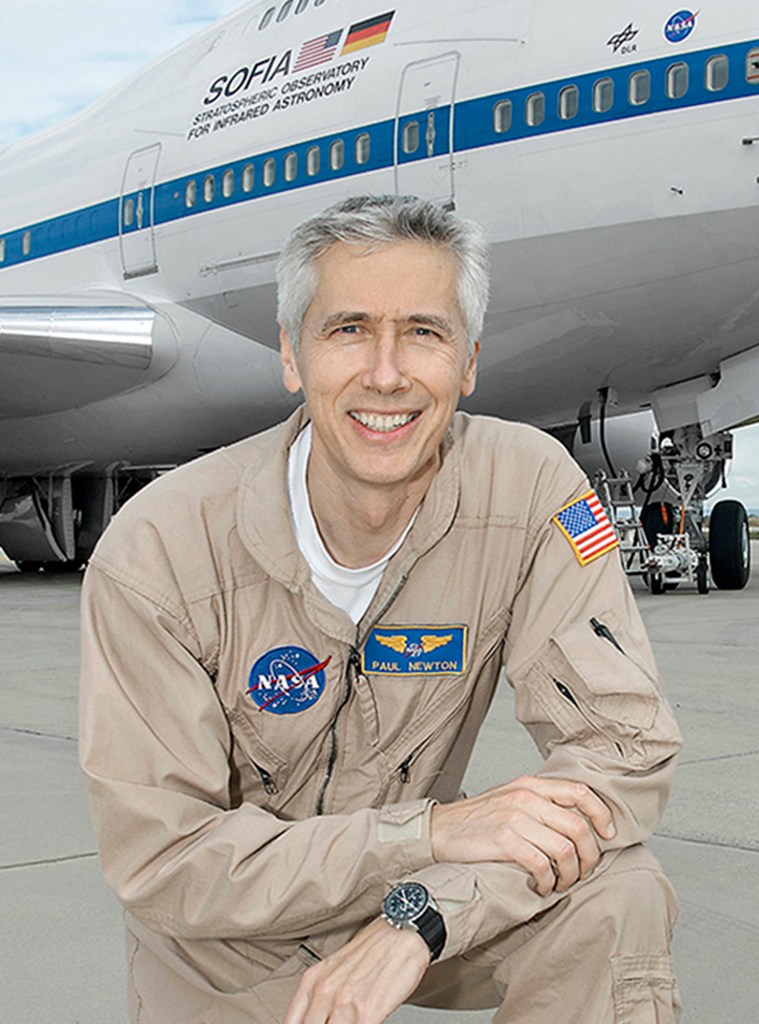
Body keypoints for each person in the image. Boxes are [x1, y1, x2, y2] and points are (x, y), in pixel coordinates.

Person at [79, 194, 683, 1024]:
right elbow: (166, 859)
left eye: (425, 332)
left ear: (468, 363)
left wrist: (425, 916)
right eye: (349, 329)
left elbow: (622, 749)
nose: (388, 373)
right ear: (292, 356)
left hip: (426, 897)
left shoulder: (532, 491)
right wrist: (429, 835)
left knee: (618, 893)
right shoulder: (161, 549)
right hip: (228, 935)